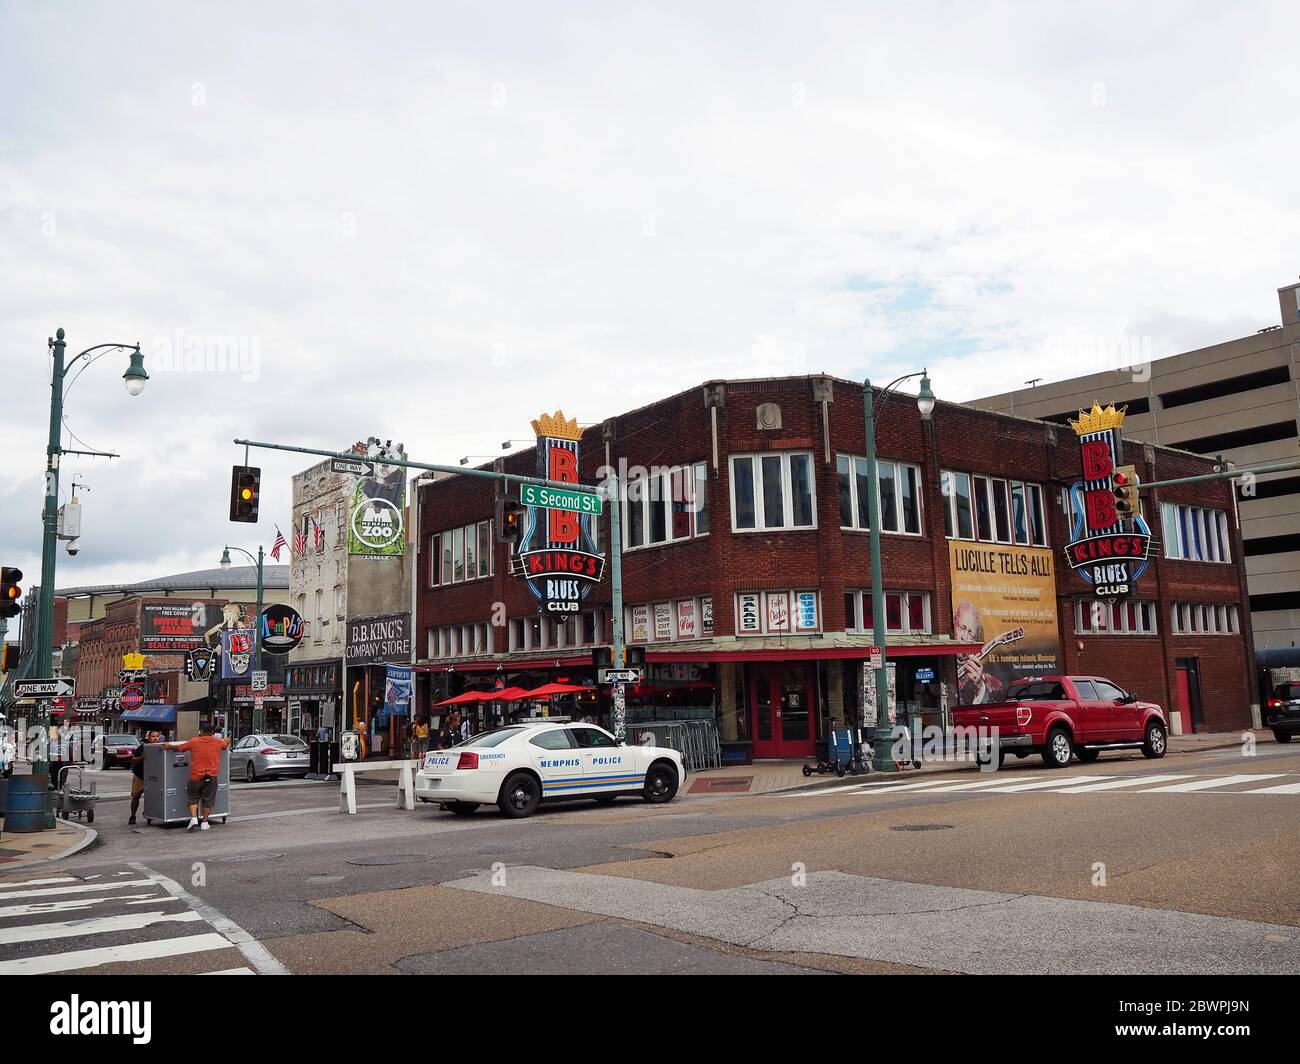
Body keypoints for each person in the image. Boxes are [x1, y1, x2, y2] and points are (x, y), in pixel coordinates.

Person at [164, 722, 230, 832]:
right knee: (208, 799)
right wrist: (227, 740)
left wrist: (169, 746)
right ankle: (204, 822)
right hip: (211, 776)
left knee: (193, 798)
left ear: (201, 731)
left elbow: (180, 748)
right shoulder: (218, 742)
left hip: (196, 776)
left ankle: (194, 818)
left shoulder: (194, 741)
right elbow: (225, 744)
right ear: (212, 732)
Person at [953, 601, 1006, 705]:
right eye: (962, 627)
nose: (964, 636)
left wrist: (979, 688)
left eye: (971, 634)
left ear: (976, 641)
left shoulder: (993, 683)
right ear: (953, 625)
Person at [127, 730, 161, 825]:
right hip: (140, 776)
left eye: (156, 736)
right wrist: (142, 757)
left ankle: (149, 815)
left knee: (153, 797)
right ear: (148, 737)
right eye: (152, 736)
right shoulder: (143, 747)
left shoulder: (161, 747)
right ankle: (133, 816)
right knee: (136, 796)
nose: (155, 738)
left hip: (153, 777)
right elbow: (133, 760)